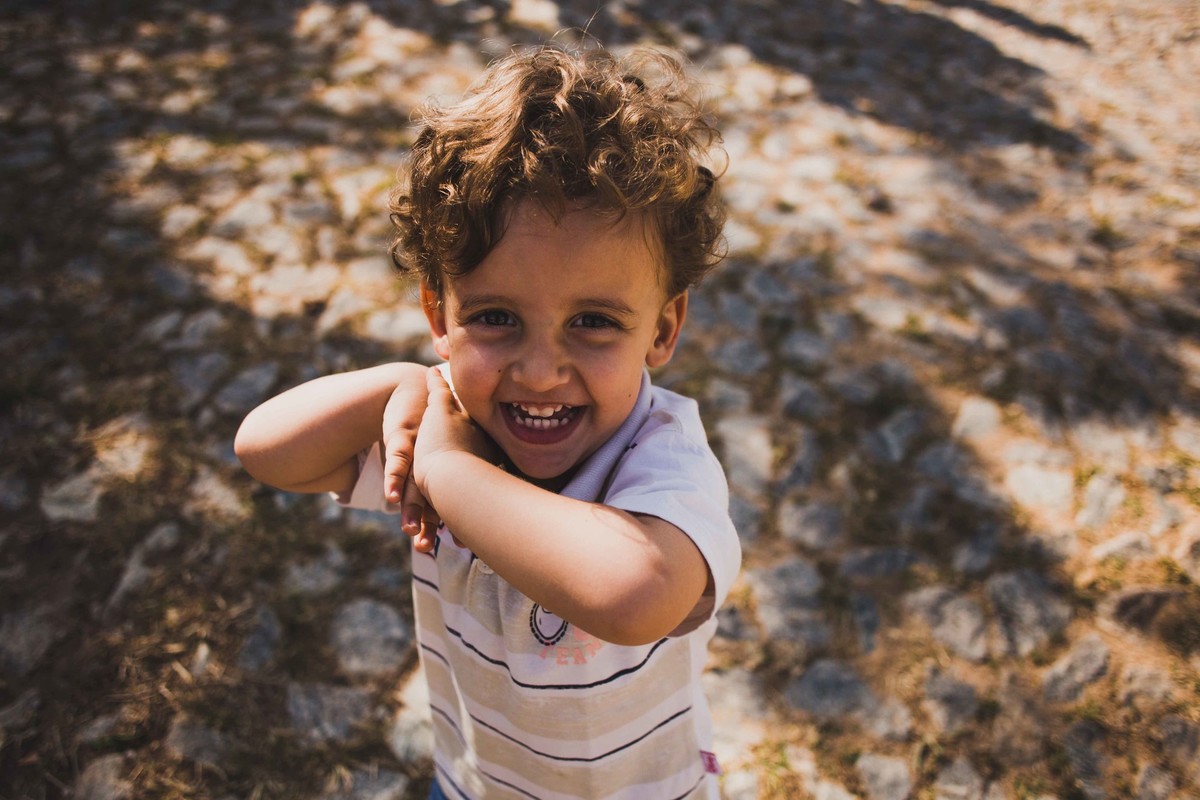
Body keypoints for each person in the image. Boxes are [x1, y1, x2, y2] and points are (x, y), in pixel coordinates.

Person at [235, 43, 741, 800]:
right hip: (478, 783)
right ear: (440, 315)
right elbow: (267, 450)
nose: (539, 371)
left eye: (595, 321)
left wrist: (447, 472)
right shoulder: (450, 418)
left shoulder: (663, 457)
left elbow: (637, 594)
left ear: (663, 330)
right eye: (497, 317)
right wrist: (396, 389)